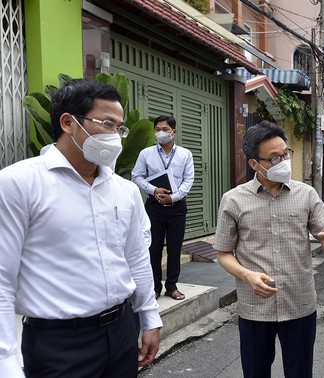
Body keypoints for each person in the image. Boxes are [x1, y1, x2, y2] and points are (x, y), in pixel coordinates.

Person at [0, 79, 161, 377]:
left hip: (122, 330)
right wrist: (6, 361)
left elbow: (136, 257)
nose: (117, 137)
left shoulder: (124, 190)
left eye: (120, 128)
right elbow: (2, 280)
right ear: (68, 122)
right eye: (107, 124)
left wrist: (149, 317)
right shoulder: (18, 184)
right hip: (60, 343)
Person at [213, 120, 324, 378]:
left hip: (299, 304)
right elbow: (223, 252)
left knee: (300, 373)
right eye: (274, 158)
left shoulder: (307, 195)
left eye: (285, 154)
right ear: (254, 164)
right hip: (255, 308)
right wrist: (247, 275)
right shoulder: (233, 200)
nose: (284, 163)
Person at [132, 116, 194, 301]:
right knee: (154, 248)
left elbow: (188, 179)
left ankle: (172, 286)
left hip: (177, 208)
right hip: (154, 207)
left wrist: (173, 196)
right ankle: (155, 287)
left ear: (173, 132)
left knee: (175, 248)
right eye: (157, 129)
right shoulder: (146, 154)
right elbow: (137, 176)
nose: (161, 132)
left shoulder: (185, 154)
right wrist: (154, 189)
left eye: (165, 129)